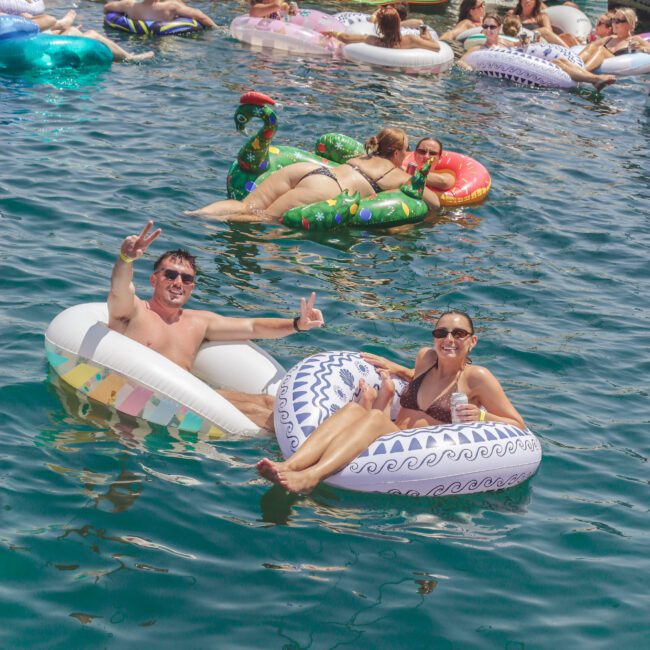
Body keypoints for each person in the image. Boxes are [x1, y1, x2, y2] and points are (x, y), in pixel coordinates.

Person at [256, 310, 525, 494]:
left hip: (414, 451)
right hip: (390, 434)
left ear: (472, 341)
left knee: (373, 417)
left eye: (459, 334)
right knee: (352, 408)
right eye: (441, 332)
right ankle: (290, 466)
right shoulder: (426, 359)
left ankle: (310, 478)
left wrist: (480, 417)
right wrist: (394, 367)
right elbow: (417, 380)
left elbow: (517, 424)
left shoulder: (477, 378)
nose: (449, 339)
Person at [108, 221, 324, 431]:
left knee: (270, 402)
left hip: (190, 397)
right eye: (170, 275)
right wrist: (125, 258)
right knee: (261, 415)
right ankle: (307, 453)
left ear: (192, 286)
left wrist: (298, 324)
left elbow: (252, 327)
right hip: (142, 401)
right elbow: (119, 288)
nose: (178, 283)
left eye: (186, 279)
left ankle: (322, 434)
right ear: (154, 280)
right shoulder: (134, 311)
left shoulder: (198, 322)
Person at [187, 127, 441, 222]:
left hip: (308, 171)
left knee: (246, 205)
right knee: (264, 218)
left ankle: (194, 215)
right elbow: (434, 203)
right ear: (396, 153)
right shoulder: (396, 175)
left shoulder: (362, 156)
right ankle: (208, 228)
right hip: (328, 188)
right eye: (406, 151)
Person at [459, 14, 616, 90]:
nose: (488, 30)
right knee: (558, 64)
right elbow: (461, 62)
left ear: (499, 28)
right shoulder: (478, 49)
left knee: (559, 62)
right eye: (485, 27)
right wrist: (470, 70)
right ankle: (594, 78)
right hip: (503, 83)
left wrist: (528, 41)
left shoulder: (505, 43)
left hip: (529, 68)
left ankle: (594, 79)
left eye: (492, 27)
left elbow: (522, 44)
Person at [2, 9, 155, 61]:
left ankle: (64, 27)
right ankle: (129, 58)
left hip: (25, 49)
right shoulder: (5, 22)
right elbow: (49, 20)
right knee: (91, 34)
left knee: (74, 31)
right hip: (40, 55)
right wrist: (28, 18)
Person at [323, 6, 440, 52]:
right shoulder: (411, 40)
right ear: (398, 24)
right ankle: (423, 29)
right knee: (423, 30)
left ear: (380, 27)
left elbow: (346, 38)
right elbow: (436, 47)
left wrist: (332, 32)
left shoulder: (373, 40)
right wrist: (424, 33)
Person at [580, 8, 650, 71]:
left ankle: (582, 71)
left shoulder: (634, 39)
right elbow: (590, 47)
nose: (613, 24)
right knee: (592, 46)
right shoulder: (609, 39)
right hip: (602, 71)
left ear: (629, 24)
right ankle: (575, 65)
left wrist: (640, 48)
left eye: (617, 21)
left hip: (619, 72)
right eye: (613, 20)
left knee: (601, 50)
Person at [103, 0, 217, 29]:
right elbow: (200, 16)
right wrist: (216, 28)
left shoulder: (129, 5)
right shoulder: (170, 6)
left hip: (136, 41)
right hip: (166, 41)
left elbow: (107, 8)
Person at [508, 0, 573, 47]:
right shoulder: (512, 14)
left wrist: (531, 33)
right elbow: (506, 30)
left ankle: (568, 51)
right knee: (544, 30)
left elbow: (549, 33)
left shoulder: (542, 16)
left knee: (545, 31)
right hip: (517, 40)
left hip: (536, 43)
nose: (527, 1)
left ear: (535, 2)